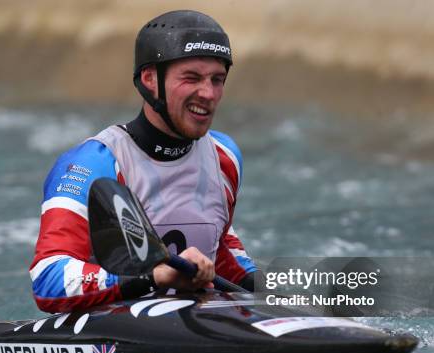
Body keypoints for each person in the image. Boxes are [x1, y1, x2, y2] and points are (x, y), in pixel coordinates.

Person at [29, 10, 262, 313]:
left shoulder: (224, 157)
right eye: (191, 78)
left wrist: (267, 288)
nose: (208, 93)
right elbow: (47, 278)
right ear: (150, 79)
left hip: (197, 330)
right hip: (112, 341)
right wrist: (152, 278)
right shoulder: (93, 164)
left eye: (217, 80)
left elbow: (220, 251)